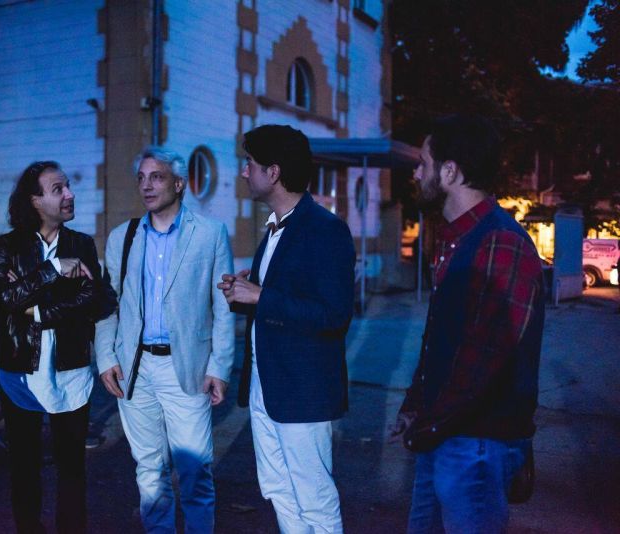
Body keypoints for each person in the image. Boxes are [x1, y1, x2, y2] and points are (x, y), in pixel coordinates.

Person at [389, 115, 545, 533]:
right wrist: (415, 405)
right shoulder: (457, 238)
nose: (415, 173)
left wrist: (428, 425)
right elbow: (440, 338)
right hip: (446, 433)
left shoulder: (501, 242)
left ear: (450, 171)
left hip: (477, 444)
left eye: (423, 163)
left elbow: (485, 358)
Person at [218, 124, 356, 533]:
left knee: (314, 498)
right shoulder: (276, 227)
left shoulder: (325, 229)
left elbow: (333, 315)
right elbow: (284, 297)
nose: (244, 172)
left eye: (250, 163)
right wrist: (243, 293)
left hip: (302, 391)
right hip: (266, 387)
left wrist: (261, 296)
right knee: (278, 489)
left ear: (273, 172)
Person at [95, 146, 234, 533]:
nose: (146, 186)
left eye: (156, 177)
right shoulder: (123, 237)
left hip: (185, 367)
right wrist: (106, 357)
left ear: (179, 184)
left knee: (194, 471)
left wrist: (220, 367)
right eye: (141, 178)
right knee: (149, 469)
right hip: (135, 369)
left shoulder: (210, 234)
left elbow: (223, 307)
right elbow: (109, 304)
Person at [0, 161, 116, 533]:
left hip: (71, 370)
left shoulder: (82, 244)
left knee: (72, 468)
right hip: (20, 371)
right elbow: (3, 299)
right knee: (24, 467)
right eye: (58, 189)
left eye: (68, 186)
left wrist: (35, 309)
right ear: (35, 200)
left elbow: (93, 298)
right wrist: (54, 269)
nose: (69, 195)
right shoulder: (6, 247)